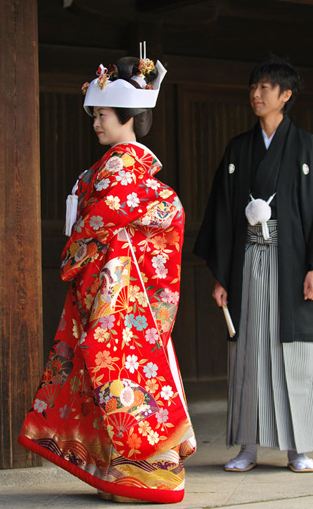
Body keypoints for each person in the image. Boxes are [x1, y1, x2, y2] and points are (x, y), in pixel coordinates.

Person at [18, 48, 196, 503]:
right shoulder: (128, 168)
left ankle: (149, 475)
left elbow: (97, 219)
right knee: (119, 379)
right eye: (94, 114)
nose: (96, 122)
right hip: (125, 291)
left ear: (128, 115)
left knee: (119, 379)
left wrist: (77, 250)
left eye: (102, 114)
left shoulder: (120, 168)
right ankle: (122, 474)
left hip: (121, 292)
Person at [194, 55, 313, 473]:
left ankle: (299, 448)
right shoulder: (238, 149)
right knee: (249, 352)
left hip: (295, 266)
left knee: (297, 354)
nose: (256, 94)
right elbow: (221, 211)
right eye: (254, 87)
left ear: (285, 96)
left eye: (265, 88)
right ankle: (247, 448)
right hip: (248, 262)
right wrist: (221, 275)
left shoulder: (310, 148)